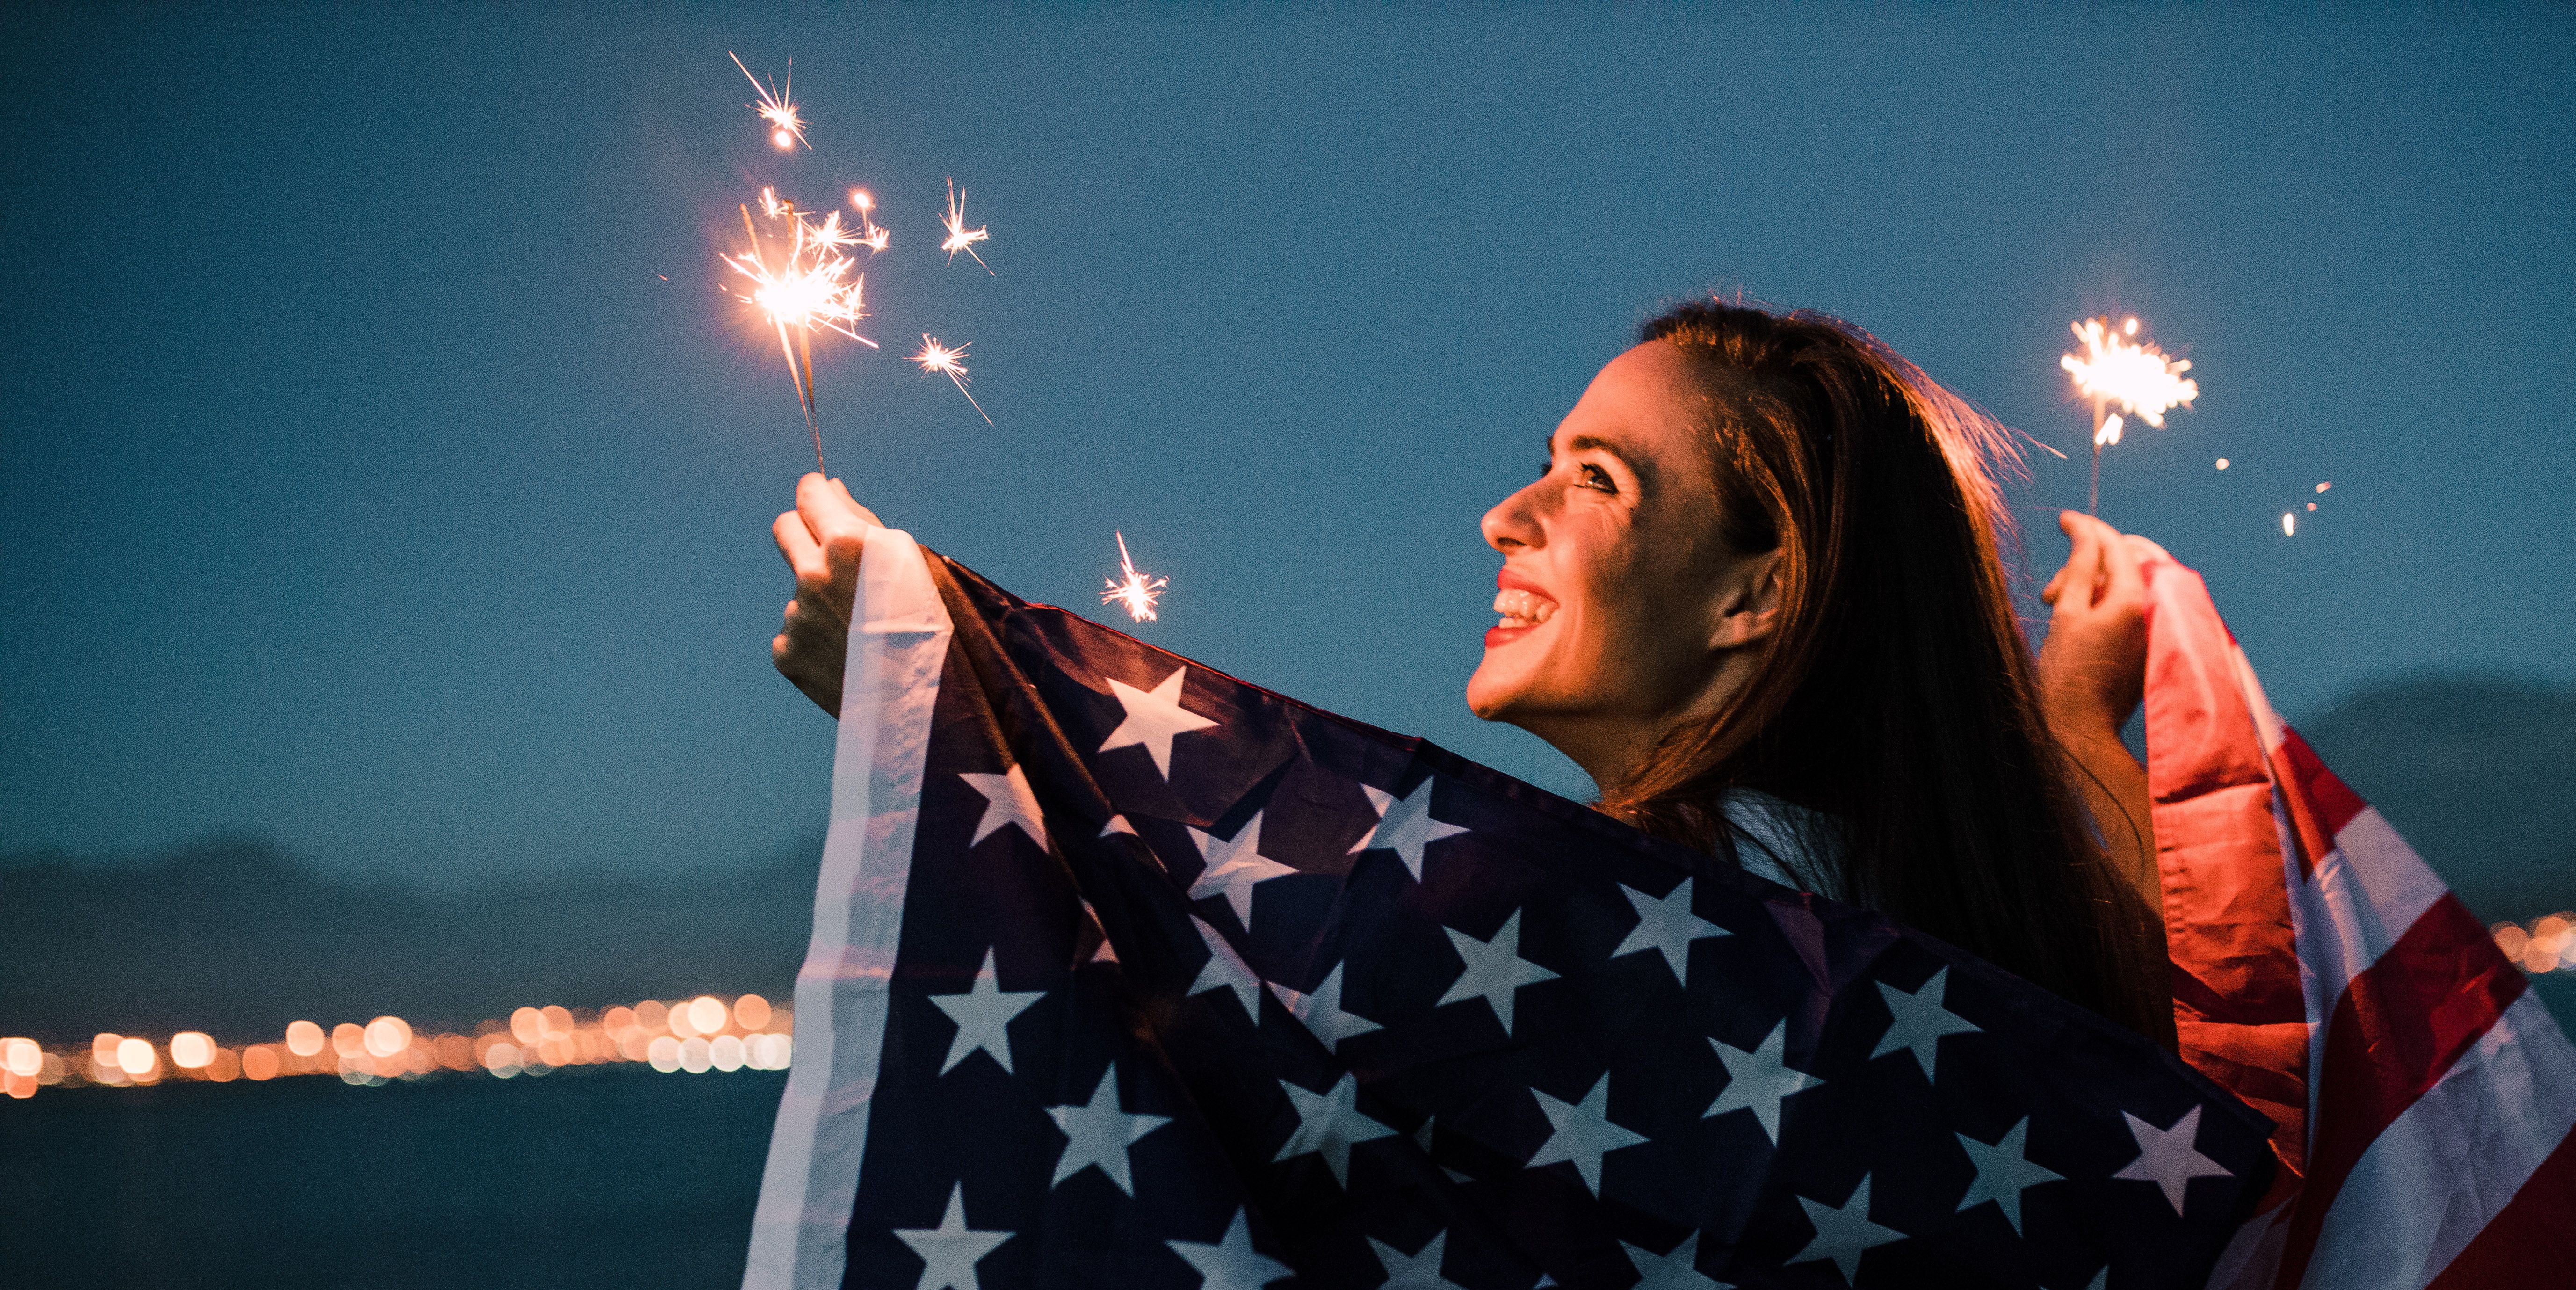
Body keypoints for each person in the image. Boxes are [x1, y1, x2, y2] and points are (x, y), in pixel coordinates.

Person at [771, 299, 2177, 1041]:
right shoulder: (1950, 929)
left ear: (1760, 590)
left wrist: (936, 710)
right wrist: (2075, 723)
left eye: (1596, 479)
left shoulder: (1648, 939)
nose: (1506, 515)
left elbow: (1225, 1088)